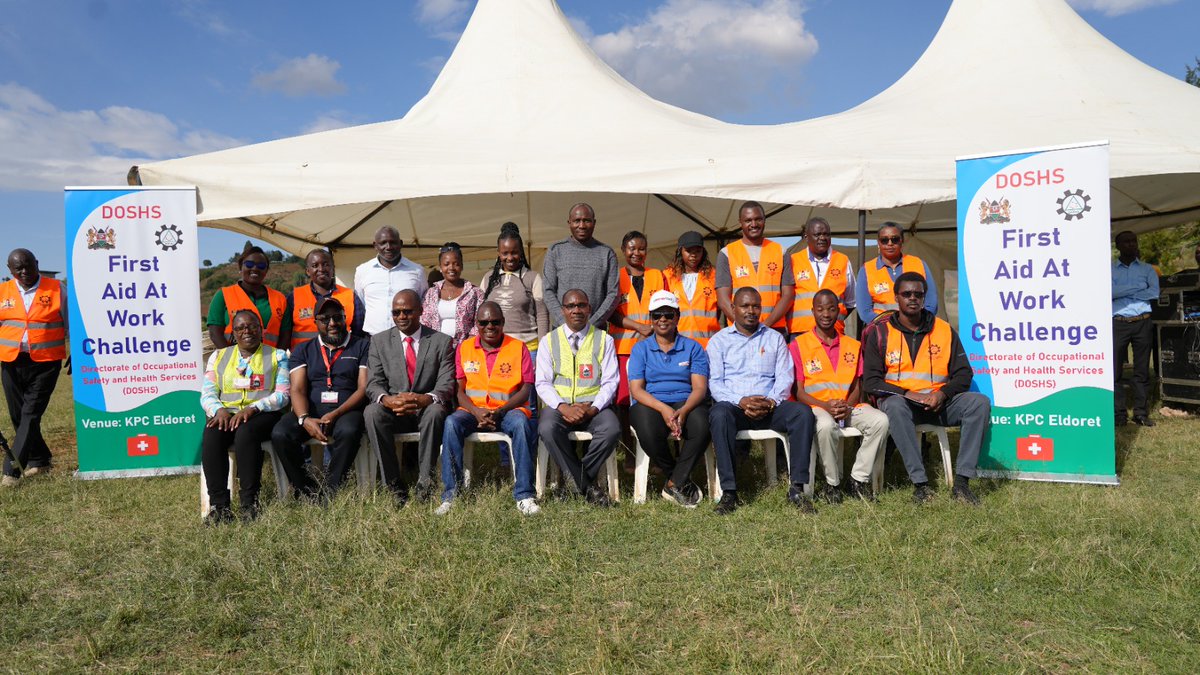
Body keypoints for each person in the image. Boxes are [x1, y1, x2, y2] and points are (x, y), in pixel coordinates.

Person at [861, 272, 989, 506]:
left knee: (979, 402)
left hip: (938, 403)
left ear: (924, 297)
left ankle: (962, 484)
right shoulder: (880, 332)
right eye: (906, 294)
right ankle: (921, 485)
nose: (913, 299)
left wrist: (942, 394)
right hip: (904, 404)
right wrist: (908, 394)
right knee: (895, 406)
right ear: (896, 297)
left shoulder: (944, 330)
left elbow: (964, 374)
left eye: (918, 294)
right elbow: (871, 381)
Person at [707, 287, 816, 515]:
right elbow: (715, 383)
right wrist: (741, 401)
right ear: (733, 309)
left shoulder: (774, 338)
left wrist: (771, 402)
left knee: (802, 413)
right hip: (736, 408)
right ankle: (729, 493)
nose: (751, 311)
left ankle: (797, 488)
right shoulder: (719, 341)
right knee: (718, 414)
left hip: (770, 408)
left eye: (756, 306)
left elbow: (785, 378)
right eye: (745, 306)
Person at [438, 302, 540, 516]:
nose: (490, 326)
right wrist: (476, 412)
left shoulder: (518, 347)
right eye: (484, 323)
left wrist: (501, 411)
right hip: (473, 412)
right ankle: (450, 496)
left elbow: (526, 389)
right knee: (450, 424)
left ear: (503, 323)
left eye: (495, 322)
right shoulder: (464, 348)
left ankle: (525, 496)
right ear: (477, 325)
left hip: (508, 412)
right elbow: (459, 391)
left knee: (522, 425)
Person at [790, 290, 888, 502]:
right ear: (812, 311)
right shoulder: (799, 345)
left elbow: (857, 385)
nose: (826, 314)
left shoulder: (853, 345)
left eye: (832, 309)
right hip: (816, 407)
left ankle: (858, 480)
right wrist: (825, 406)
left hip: (848, 406)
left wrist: (847, 406)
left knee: (880, 420)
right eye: (820, 309)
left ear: (840, 312)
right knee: (825, 426)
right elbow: (798, 391)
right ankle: (832, 484)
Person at [270, 297, 369, 501]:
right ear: (316, 322)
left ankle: (331, 490)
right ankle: (307, 490)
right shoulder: (303, 350)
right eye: (325, 319)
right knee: (281, 433)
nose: (332, 323)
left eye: (337, 317)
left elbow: (363, 388)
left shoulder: (362, 346)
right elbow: (297, 389)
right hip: (311, 411)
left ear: (345, 319)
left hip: (347, 411)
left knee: (350, 430)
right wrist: (305, 419)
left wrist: (336, 413)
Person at [364, 289, 454, 505]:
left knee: (436, 412)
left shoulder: (441, 341)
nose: (401, 317)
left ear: (421, 311)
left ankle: (425, 485)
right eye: (396, 312)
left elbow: (446, 383)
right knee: (372, 412)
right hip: (394, 408)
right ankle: (394, 487)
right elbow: (373, 382)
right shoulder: (379, 341)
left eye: (407, 311)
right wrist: (387, 400)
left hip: (425, 407)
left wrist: (426, 398)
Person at [199, 310, 290, 523]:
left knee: (246, 433)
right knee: (211, 433)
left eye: (252, 327)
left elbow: (283, 395)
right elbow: (207, 392)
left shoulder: (278, 356)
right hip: (226, 413)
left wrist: (253, 408)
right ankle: (219, 506)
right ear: (234, 333)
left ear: (261, 330)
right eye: (240, 328)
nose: (246, 331)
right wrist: (218, 410)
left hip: (263, 414)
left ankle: (250, 503)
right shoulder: (219, 356)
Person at [535, 289, 621, 507]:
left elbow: (611, 381)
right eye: (571, 306)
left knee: (611, 429)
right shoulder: (548, 341)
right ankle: (588, 486)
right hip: (559, 407)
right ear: (563, 310)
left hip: (593, 407)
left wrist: (593, 408)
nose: (576, 310)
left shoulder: (604, 340)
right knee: (546, 428)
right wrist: (563, 407)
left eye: (581, 305)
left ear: (589, 309)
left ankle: (574, 482)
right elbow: (542, 383)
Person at [627, 290, 710, 507]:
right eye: (657, 315)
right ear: (651, 319)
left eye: (668, 314)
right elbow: (636, 390)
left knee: (703, 425)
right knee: (646, 428)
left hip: (686, 400)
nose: (662, 319)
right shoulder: (641, 349)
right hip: (651, 402)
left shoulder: (693, 347)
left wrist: (683, 411)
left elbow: (700, 388)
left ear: (677, 316)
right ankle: (677, 475)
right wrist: (663, 409)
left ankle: (674, 482)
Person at [0, 249, 68, 485]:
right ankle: (39, 460)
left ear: (37, 263)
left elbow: (73, 323)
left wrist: (79, 353)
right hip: (11, 361)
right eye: (18, 269)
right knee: (18, 415)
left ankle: (12, 470)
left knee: (30, 414)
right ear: (10, 270)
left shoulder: (57, 288)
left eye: (29, 266)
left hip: (46, 361)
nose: (25, 272)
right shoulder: (3, 291)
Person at [610, 230, 666, 470]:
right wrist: (638, 327)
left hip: (653, 349)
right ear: (623, 250)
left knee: (652, 398)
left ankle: (654, 452)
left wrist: (652, 330)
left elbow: (665, 308)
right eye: (631, 248)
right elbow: (611, 313)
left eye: (641, 248)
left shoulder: (657, 276)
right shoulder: (615, 276)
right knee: (624, 402)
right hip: (623, 348)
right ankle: (630, 454)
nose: (636, 253)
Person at [716, 201, 795, 334]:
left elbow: (788, 295)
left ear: (764, 220)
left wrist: (765, 325)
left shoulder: (781, 251)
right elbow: (723, 299)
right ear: (740, 222)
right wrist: (743, 326)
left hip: (774, 329)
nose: (753, 224)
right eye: (748, 220)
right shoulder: (727, 253)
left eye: (758, 219)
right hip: (739, 333)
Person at [541, 203, 620, 330]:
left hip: (596, 331)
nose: (582, 225)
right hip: (562, 331)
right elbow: (547, 290)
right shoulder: (556, 250)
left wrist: (591, 325)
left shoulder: (606, 253)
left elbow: (613, 294)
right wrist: (565, 323)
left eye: (587, 221)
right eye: (577, 221)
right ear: (569, 222)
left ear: (594, 223)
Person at [1112, 230, 1159, 427]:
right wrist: (1138, 289)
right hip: (1118, 323)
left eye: (1134, 241)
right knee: (1115, 372)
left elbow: (1154, 292)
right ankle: (1118, 414)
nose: (1131, 244)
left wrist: (1122, 293)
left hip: (1142, 322)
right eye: (1126, 242)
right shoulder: (1109, 270)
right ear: (1118, 246)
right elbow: (1108, 293)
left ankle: (1140, 413)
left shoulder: (1148, 269)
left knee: (1141, 371)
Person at [480, 222, 549, 352]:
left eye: (514, 253)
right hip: (496, 350)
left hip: (528, 349)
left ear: (521, 252)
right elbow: (480, 315)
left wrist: (543, 349)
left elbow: (542, 315)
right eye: (505, 253)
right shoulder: (489, 278)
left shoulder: (532, 278)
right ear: (498, 253)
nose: (510, 258)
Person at [207, 245, 291, 349]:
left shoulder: (280, 299)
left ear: (266, 270)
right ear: (240, 267)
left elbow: (286, 336)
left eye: (261, 266)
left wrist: (276, 360)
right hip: (234, 362)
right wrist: (231, 360)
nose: (255, 269)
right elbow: (215, 334)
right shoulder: (223, 295)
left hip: (269, 361)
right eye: (249, 264)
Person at [855, 222, 938, 325]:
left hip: (915, 328)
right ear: (878, 243)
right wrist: (892, 325)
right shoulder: (866, 269)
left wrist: (916, 324)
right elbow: (864, 312)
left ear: (901, 241)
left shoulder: (919, 264)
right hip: (881, 330)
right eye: (884, 240)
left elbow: (931, 304)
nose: (890, 243)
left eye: (895, 239)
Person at [355, 226, 428, 336]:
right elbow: (361, 303)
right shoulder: (363, 271)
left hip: (407, 338)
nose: (388, 247)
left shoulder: (417, 271)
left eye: (393, 242)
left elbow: (423, 302)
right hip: (373, 338)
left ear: (401, 244)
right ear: (375, 245)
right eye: (383, 243)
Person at [789, 218, 856, 337]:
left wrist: (833, 318)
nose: (822, 238)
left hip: (833, 334)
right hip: (800, 333)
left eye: (826, 234)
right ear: (806, 236)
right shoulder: (793, 261)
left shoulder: (843, 261)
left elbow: (851, 302)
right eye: (817, 234)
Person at [286, 248, 365, 348]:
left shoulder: (350, 296)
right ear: (308, 271)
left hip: (342, 356)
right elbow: (285, 332)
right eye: (315, 266)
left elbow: (359, 331)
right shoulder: (293, 297)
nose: (321, 269)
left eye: (326, 264)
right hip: (304, 358)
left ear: (333, 268)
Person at [420, 242, 483, 350]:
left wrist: (467, 345)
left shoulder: (475, 293)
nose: (451, 268)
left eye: (456, 264)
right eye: (446, 264)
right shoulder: (430, 294)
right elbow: (424, 322)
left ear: (462, 266)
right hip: (436, 350)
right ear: (440, 267)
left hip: (466, 349)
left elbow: (480, 322)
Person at [662, 230, 720, 347]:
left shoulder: (713, 275)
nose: (693, 255)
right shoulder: (668, 276)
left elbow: (719, 308)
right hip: (677, 345)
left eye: (698, 251)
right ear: (680, 251)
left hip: (707, 344)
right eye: (688, 251)